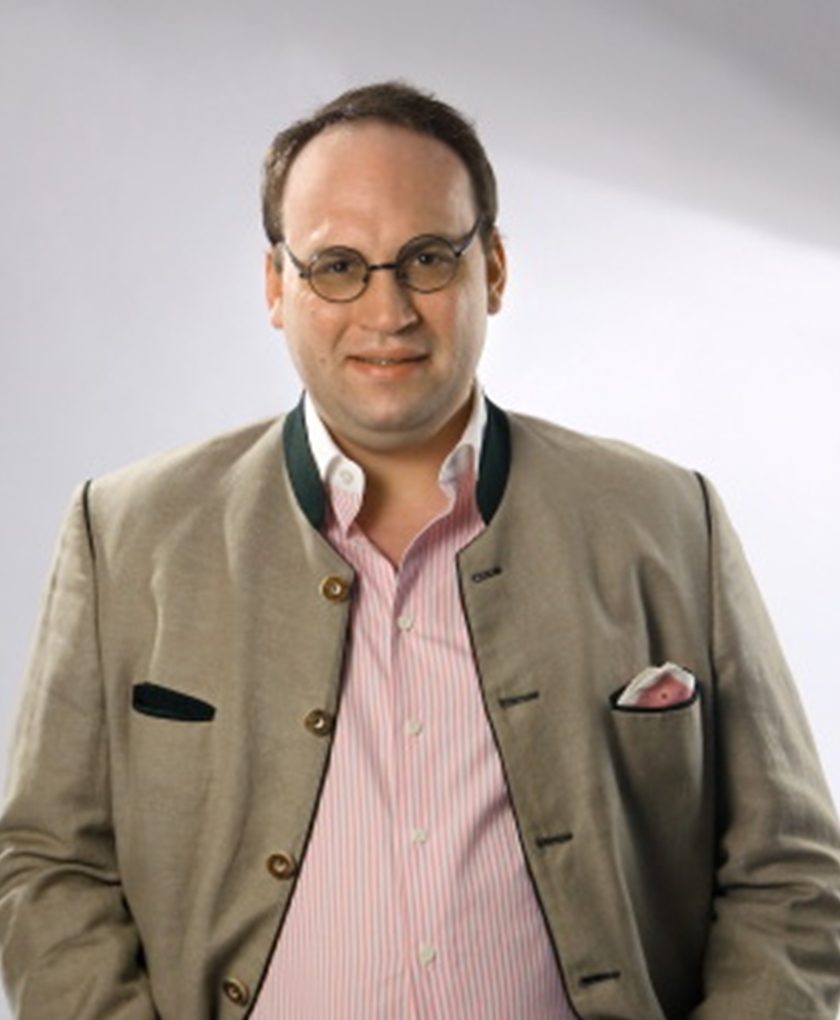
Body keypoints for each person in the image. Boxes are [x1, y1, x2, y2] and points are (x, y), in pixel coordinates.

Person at [1, 81, 839, 1020]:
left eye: (428, 258)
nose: (387, 310)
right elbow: (48, 866)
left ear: (495, 269)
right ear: (277, 286)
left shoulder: (669, 520)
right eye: (337, 266)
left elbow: (789, 872)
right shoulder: (125, 535)